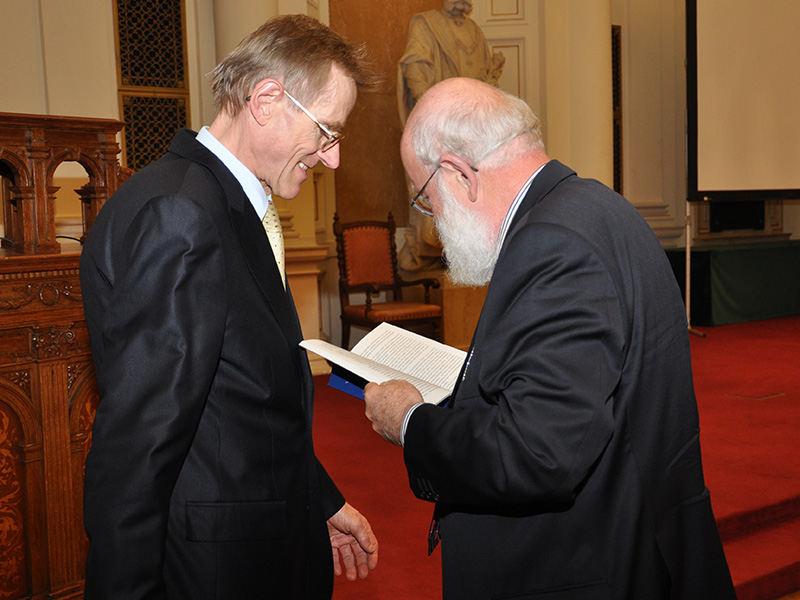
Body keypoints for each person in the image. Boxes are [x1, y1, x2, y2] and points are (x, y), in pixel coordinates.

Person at [364, 78, 736, 599]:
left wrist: (410, 421)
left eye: (426, 200)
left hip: (583, 567)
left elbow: (536, 454)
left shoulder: (553, 243)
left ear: (458, 173)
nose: (433, 223)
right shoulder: (597, 206)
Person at [80, 15, 378, 600]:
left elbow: (240, 401)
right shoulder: (182, 215)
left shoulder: (221, 200)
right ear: (267, 99)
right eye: (327, 132)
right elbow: (139, 450)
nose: (332, 158)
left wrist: (319, 498)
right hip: (216, 570)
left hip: (261, 540)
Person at [396, 0, 505, 272]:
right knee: (437, 194)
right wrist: (430, 110)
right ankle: (438, 253)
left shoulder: (475, 31)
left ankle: (472, 254)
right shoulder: (425, 23)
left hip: (472, 134)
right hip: (441, 130)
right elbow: (415, 66)